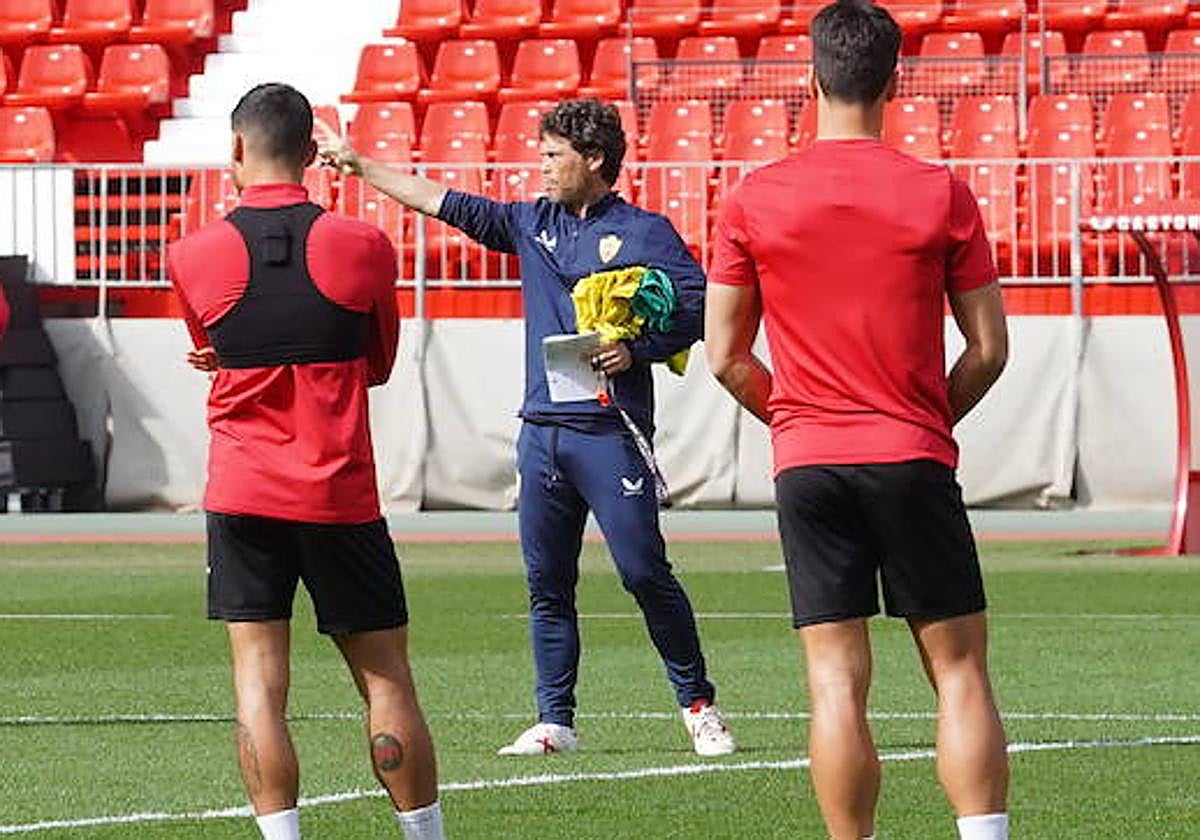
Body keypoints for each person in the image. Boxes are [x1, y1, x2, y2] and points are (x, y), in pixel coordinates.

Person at [320, 98, 735, 758]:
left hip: (609, 431)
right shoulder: (528, 223)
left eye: (552, 155)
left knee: (643, 572)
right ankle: (555, 721)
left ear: (593, 160)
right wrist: (361, 165)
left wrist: (639, 347)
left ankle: (699, 707)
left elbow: (699, 305)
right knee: (547, 585)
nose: (539, 166)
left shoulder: (645, 231)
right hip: (541, 433)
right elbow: (438, 201)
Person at [704, 1, 1010, 838]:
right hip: (913, 455)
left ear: (812, 79)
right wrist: (920, 419)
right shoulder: (940, 191)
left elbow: (724, 353)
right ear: (895, 81)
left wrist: (800, 423)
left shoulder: (754, 198)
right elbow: (988, 348)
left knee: (836, 683)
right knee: (959, 673)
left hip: (809, 463)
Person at [169, 83, 447, 840]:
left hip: (242, 491)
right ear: (312, 154)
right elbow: (379, 363)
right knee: (386, 680)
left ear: (236, 149)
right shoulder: (364, 246)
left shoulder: (189, 255)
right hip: (339, 496)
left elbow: (217, 347)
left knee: (258, 685)